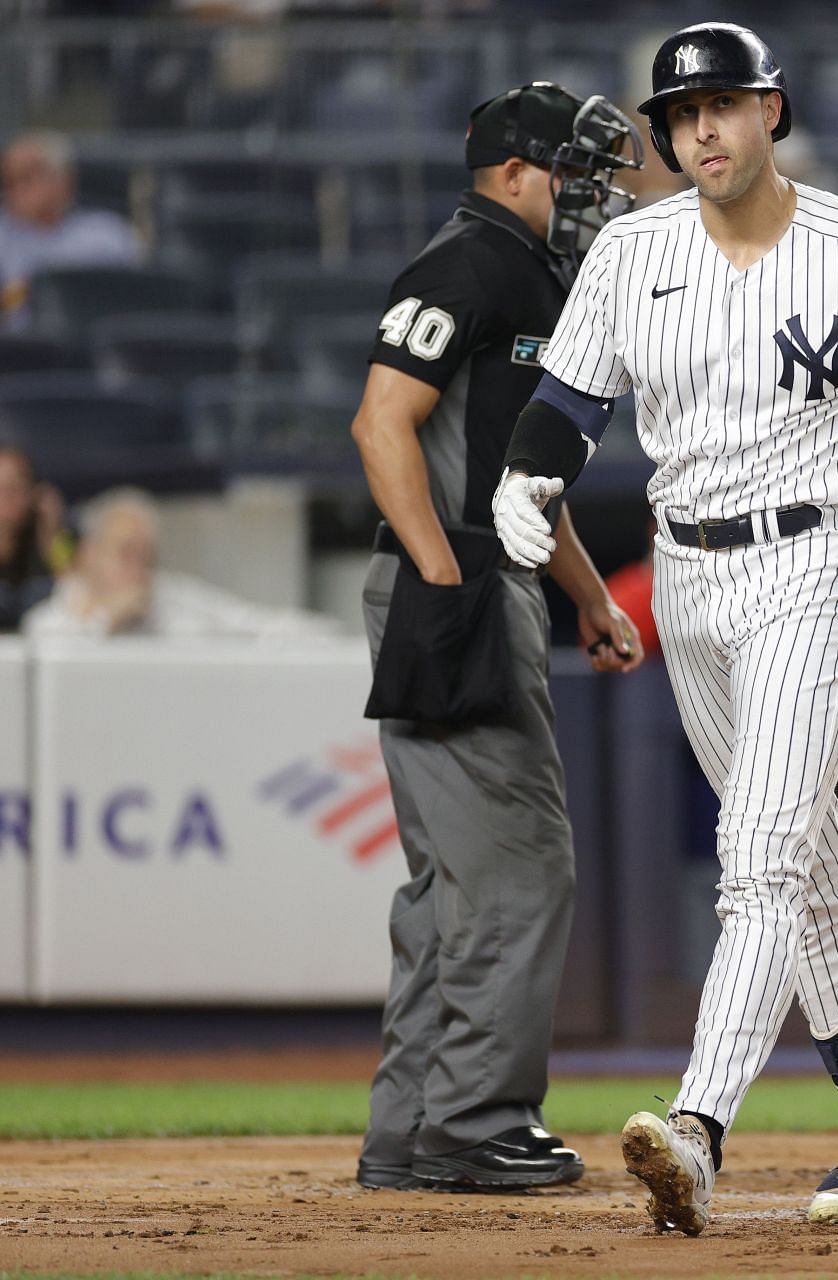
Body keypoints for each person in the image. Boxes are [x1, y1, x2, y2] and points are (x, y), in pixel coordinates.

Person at [489, 23, 838, 1233]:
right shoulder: (632, 252)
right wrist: (526, 482)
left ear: (771, 112)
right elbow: (566, 404)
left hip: (823, 561)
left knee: (759, 849)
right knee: (807, 864)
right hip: (688, 576)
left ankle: (697, 1128)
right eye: (681, 113)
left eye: (726, 105)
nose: (702, 128)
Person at [346, 81, 645, 1194]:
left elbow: (521, 483)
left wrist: (587, 595)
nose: (592, 193)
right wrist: (443, 570)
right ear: (516, 171)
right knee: (521, 868)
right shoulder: (467, 260)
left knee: (453, 885)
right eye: (576, 170)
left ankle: (413, 1126)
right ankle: (475, 1119)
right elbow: (382, 421)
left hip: (479, 566)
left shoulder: (524, 272)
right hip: (456, 578)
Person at [22, 487, 332, 639]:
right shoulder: (49, 622)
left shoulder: (174, 598)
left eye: (147, 556)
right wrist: (106, 621)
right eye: (127, 553)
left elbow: (257, 625)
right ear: (89, 554)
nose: (139, 569)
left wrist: (334, 636)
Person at [0, 130, 143, 332]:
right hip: (22, 352)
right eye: (10, 182)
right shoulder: (3, 236)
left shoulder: (109, 234)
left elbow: (133, 304)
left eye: (28, 177)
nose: (17, 191)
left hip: (94, 348)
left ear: (64, 180)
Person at [0, 444, 66, 633]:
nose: (8, 495)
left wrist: (52, 532)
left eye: (16, 485)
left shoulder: (53, 537)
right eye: (1, 485)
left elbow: (74, 589)